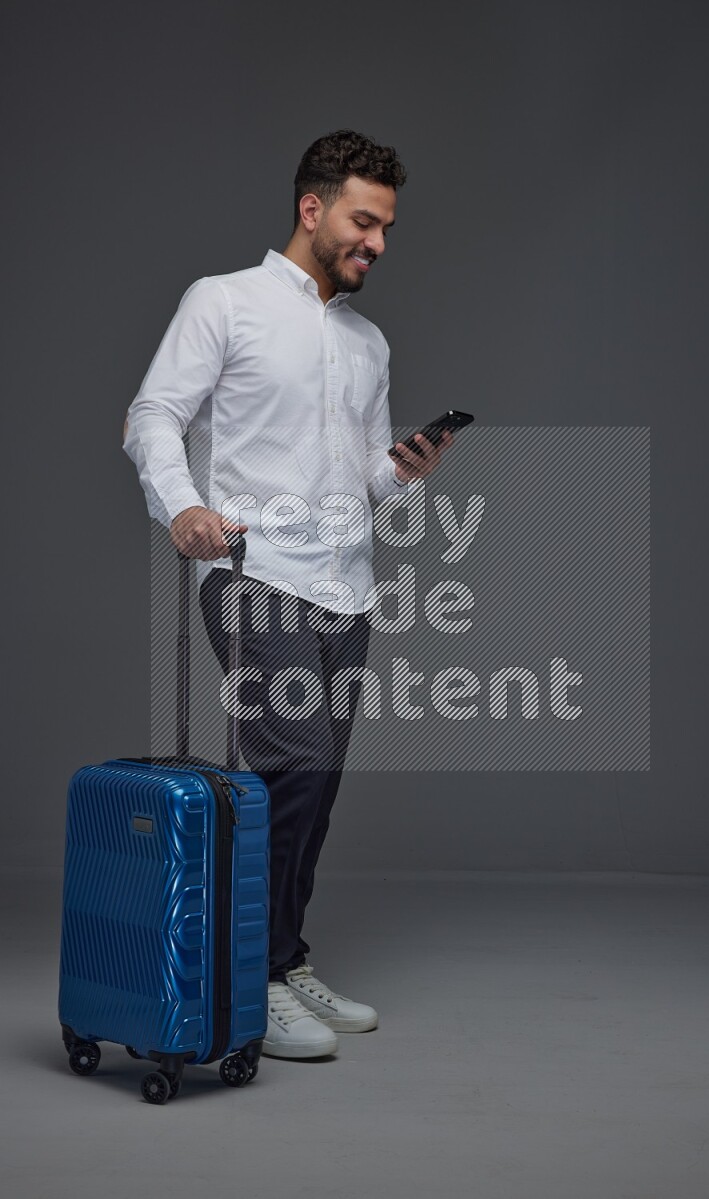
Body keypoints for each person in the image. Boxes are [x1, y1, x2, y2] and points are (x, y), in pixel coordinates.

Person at [123, 130, 453, 1060]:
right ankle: (252, 977)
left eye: (386, 227)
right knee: (291, 766)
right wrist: (181, 508)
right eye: (363, 220)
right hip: (253, 572)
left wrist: (403, 472)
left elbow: (359, 479)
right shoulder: (223, 302)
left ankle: (285, 957)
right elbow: (153, 414)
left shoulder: (367, 340)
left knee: (319, 783)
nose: (377, 243)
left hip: (346, 586)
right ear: (312, 209)